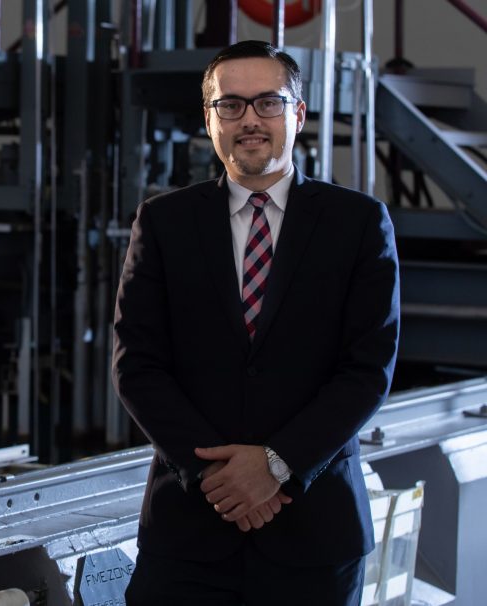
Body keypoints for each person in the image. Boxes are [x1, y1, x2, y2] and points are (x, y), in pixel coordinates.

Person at [112, 40, 400, 605]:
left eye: (268, 102)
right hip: (188, 533)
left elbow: (367, 369)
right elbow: (138, 365)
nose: (250, 120)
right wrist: (221, 480)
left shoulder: (359, 223)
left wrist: (276, 465)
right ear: (209, 118)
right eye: (231, 105)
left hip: (314, 532)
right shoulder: (164, 222)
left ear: (298, 113)